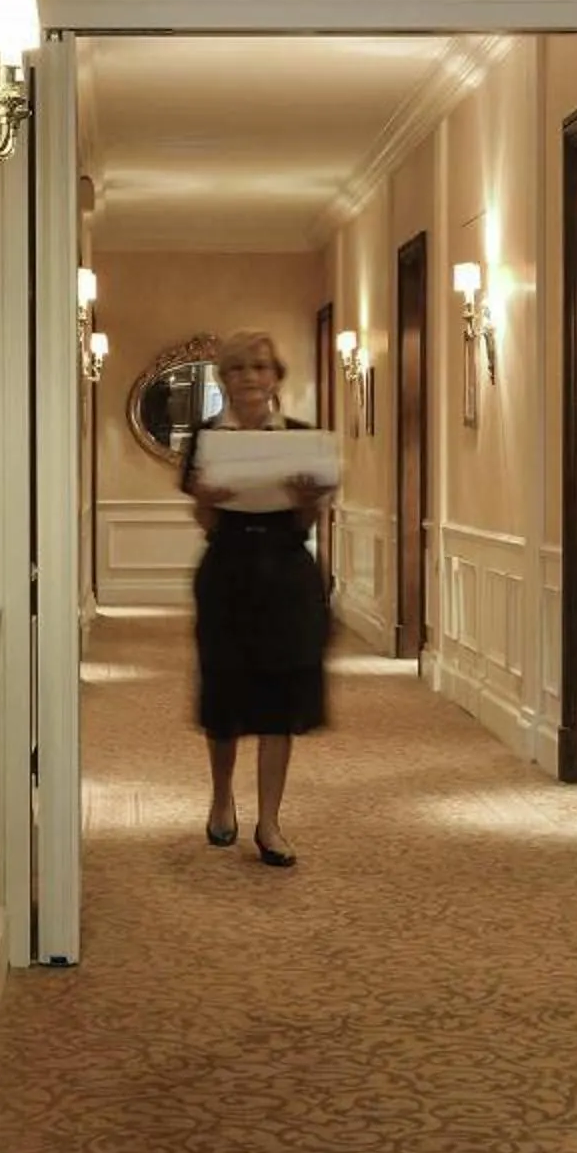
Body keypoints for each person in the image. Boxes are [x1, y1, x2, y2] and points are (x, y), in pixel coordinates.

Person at [179, 328, 335, 866]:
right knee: (224, 698)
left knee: (279, 703)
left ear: (276, 378)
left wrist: (306, 501)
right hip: (228, 575)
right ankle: (222, 800)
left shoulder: (300, 437)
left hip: (288, 576)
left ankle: (270, 822)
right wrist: (205, 499)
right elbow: (204, 521)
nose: (250, 378)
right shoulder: (204, 437)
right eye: (238, 369)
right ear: (224, 379)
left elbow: (305, 522)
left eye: (260, 368)